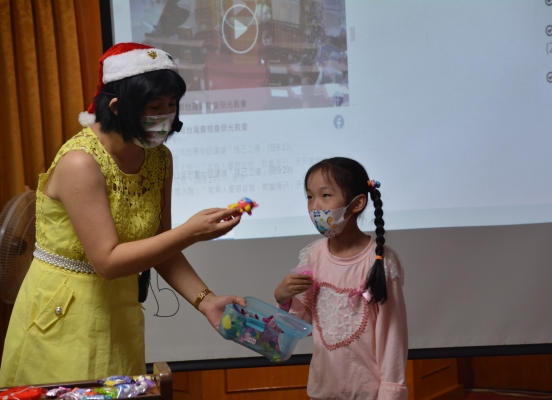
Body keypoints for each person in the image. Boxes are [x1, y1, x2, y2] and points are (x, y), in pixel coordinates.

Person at [0, 42, 246, 386]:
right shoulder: (81, 162)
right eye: (154, 107)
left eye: (171, 105)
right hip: (61, 316)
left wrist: (207, 301)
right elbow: (108, 261)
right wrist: (190, 232)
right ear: (117, 107)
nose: (165, 117)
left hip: (120, 313)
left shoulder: (159, 158)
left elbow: (161, 248)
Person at [274, 157, 408, 400]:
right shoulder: (313, 255)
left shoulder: (381, 261)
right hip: (322, 390)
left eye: (325, 195)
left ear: (357, 203)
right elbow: (305, 321)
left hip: (368, 393)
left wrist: (390, 393)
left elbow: (392, 338)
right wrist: (284, 298)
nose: (315, 206)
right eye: (309, 196)